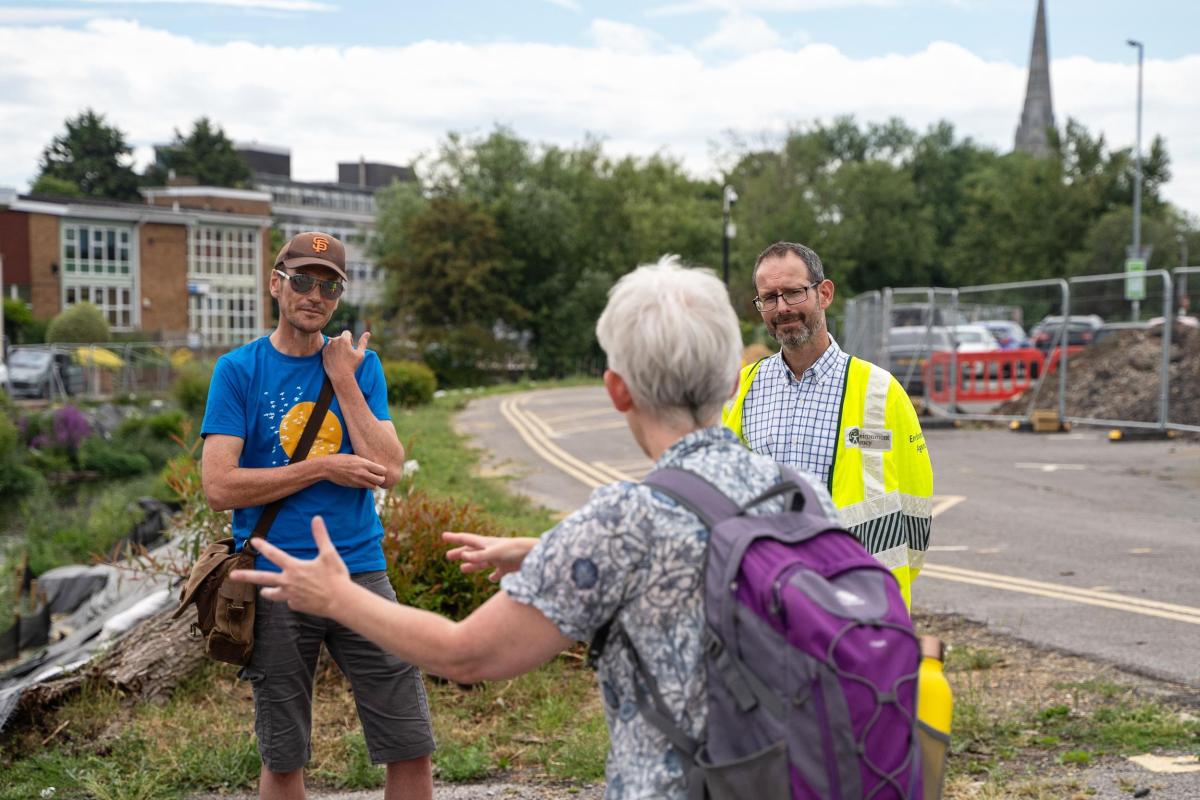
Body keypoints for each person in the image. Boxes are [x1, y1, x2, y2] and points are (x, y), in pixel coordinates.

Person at [232, 256, 837, 799]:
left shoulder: (620, 522)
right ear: (733, 380)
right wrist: (543, 549)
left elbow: (465, 654)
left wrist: (337, 597)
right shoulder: (796, 492)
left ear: (617, 390)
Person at [200, 231, 435, 800]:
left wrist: (344, 378)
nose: (316, 294)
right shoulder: (238, 371)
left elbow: (389, 470)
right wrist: (323, 469)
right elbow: (219, 486)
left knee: (410, 742)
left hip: (361, 569)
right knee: (284, 756)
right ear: (275, 283)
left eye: (329, 285)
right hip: (276, 575)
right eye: (303, 280)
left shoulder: (361, 366)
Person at [721, 241, 933, 607]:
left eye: (793, 292)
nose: (782, 307)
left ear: (824, 293)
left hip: (857, 605)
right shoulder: (743, 389)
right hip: (766, 603)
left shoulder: (881, 391)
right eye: (768, 298)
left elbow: (916, 515)